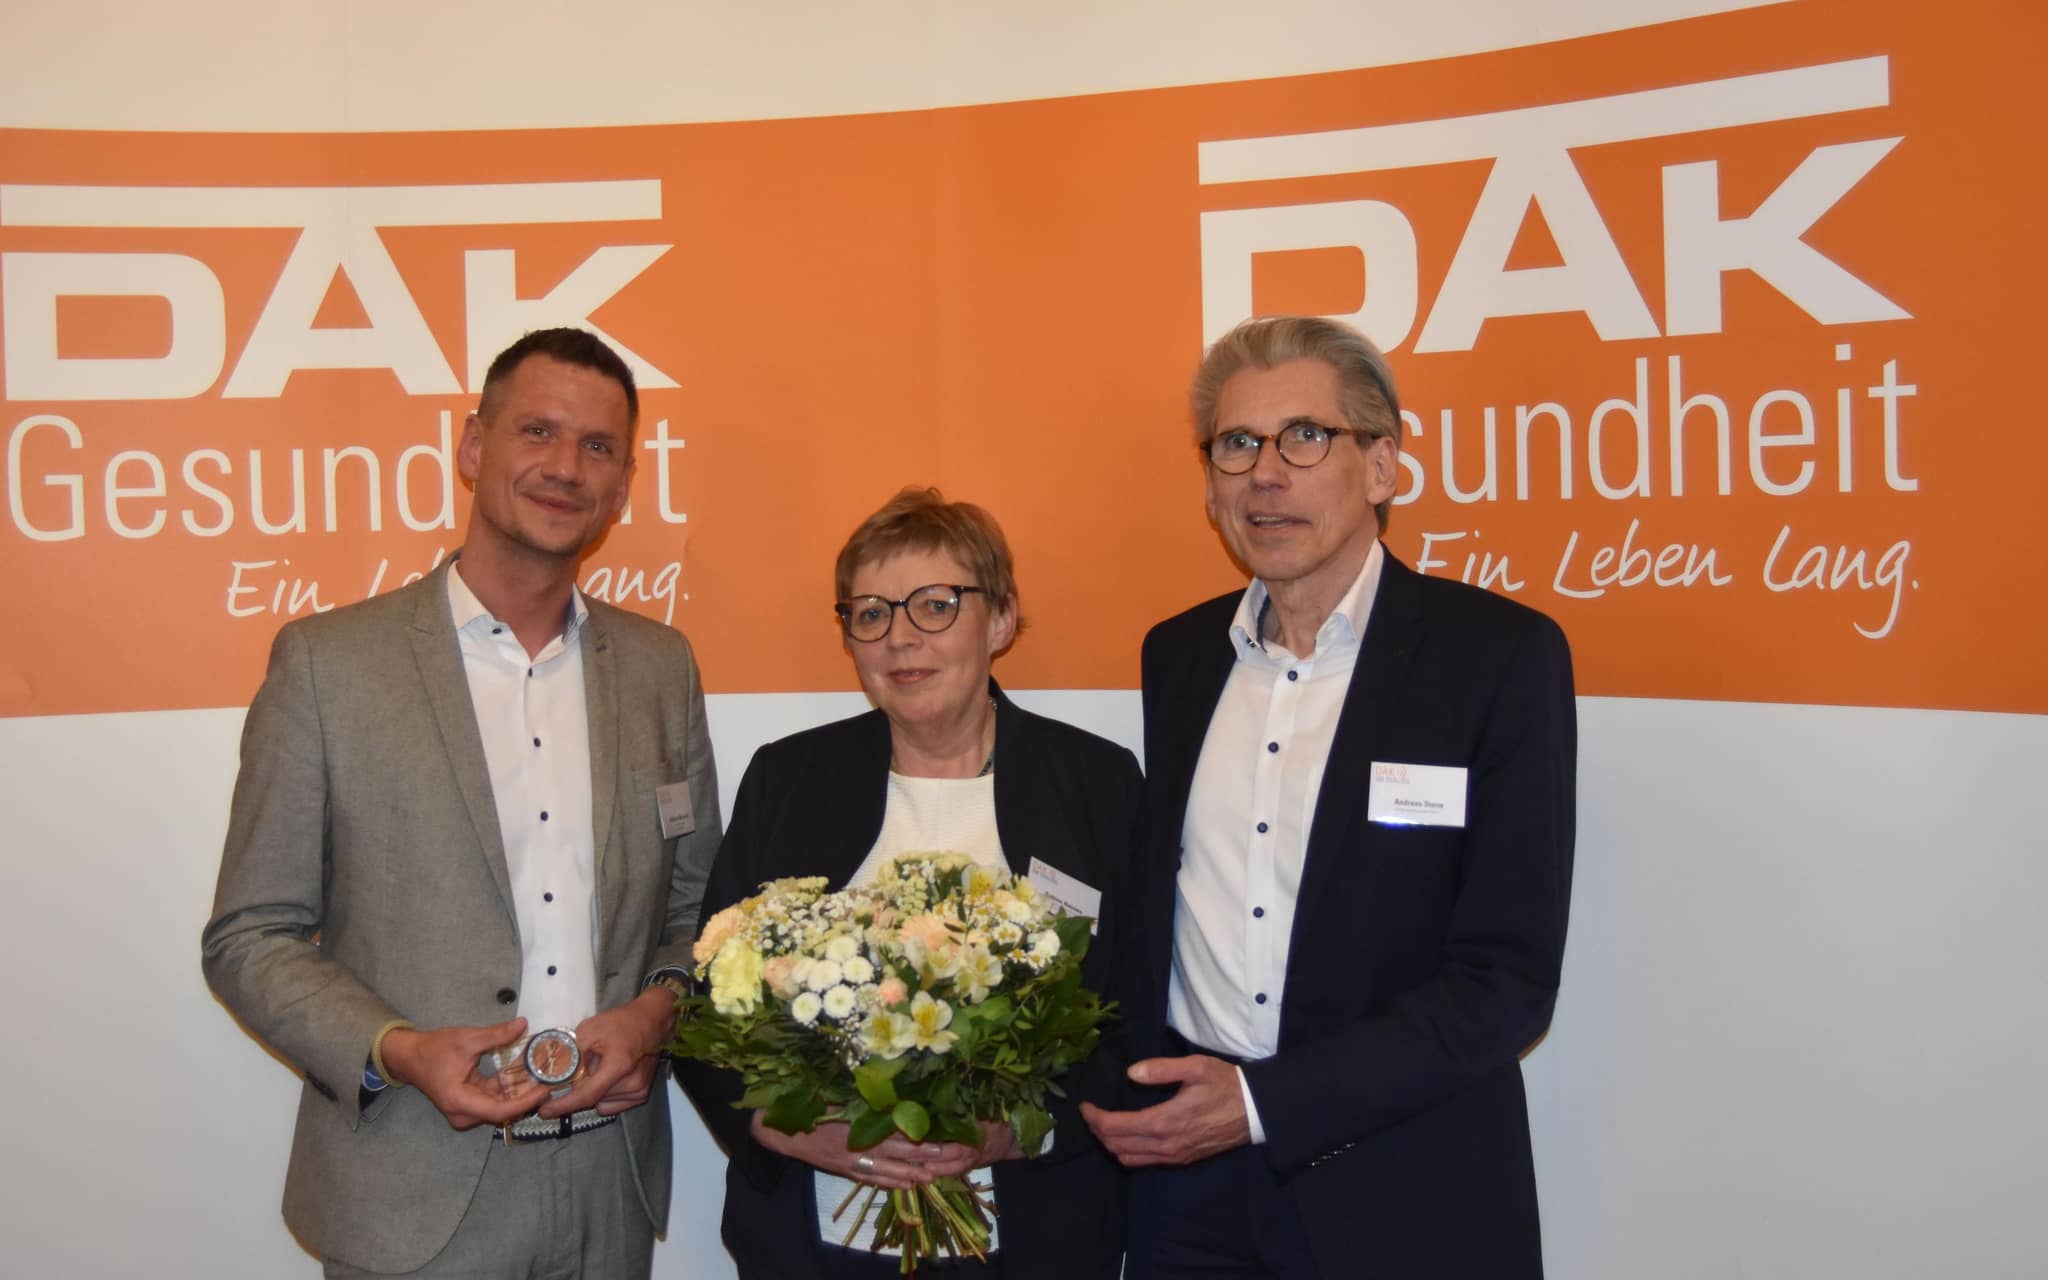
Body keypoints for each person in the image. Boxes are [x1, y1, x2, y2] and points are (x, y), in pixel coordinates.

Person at [201, 327, 721, 1278]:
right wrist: (396, 1050)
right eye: (537, 432)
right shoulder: (327, 666)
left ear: (622, 485)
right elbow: (250, 934)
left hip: (608, 1189)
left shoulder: (661, 670)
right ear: (474, 446)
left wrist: (656, 1014)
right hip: (411, 1189)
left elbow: (700, 913)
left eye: (597, 447)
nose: (565, 467)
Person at [1082, 316, 1577, 1278]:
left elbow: (1507, 981)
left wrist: (1264, 1106)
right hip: (1189, 1197)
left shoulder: (1495, 658)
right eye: (1236, 444)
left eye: (1305, 437)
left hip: (1402, 1189)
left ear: (1382, 466)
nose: (1265, 475)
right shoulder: (1178, 656)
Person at [676, 487, 1139, 1278]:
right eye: (870, 613)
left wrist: (1024, 1128)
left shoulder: (1095, 783)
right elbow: (707, 1002)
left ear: (1000, 619)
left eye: (935, 605)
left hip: (1032, 1240)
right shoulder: (790, 778)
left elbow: (1135, 1006)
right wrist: (780, 1125)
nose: (900, 638)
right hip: (814, 1245)